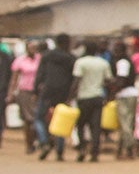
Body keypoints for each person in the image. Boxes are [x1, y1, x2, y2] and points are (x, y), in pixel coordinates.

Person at [34, 32, 77, 162]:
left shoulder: (47, 55)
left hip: (47, 91)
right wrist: (70, 95)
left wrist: (35, 91)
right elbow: (73, 78)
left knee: (39, 118)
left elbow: (40, 74)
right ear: (67, 43)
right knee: (60, 120)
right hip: (63, 92)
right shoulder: (71, 58)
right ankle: (59, 151)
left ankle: (44, 142)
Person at [71, 39, 112, 163]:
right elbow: (109, 81)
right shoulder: (103, 63)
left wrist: (70, 97)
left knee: (81, 125)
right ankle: (95, 152)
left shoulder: (81, 62)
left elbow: (76, 81)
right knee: (96, 126)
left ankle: (82, 148)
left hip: (84, 98)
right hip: (98, 97)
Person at [9, 39, 39, 156]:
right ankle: (29, 143)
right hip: (24, 92)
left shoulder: (40, 59)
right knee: (28, 119)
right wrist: (11, 93)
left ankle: (37, 140)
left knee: (37, 118)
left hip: (37, 92)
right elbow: (14, 78)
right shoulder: (20, 61)